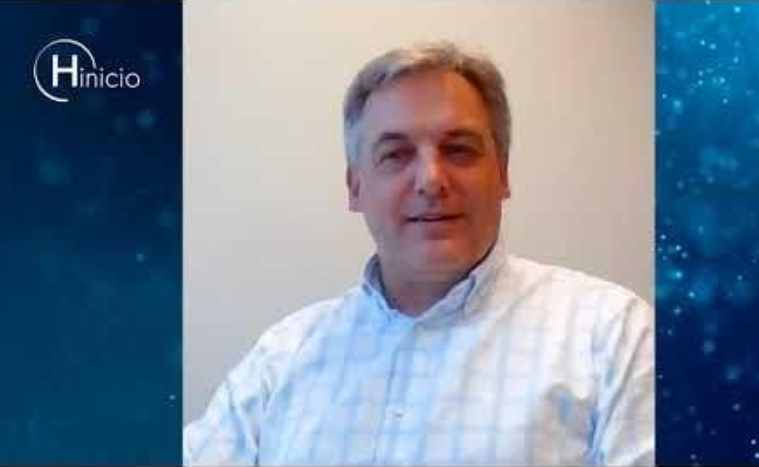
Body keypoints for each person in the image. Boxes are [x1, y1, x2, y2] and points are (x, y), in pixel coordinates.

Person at [184, 41, 654, 466]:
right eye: (395, 154)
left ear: (503, 174)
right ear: (355, 187)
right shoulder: (283, 355)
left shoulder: (611, 334)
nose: (431, 180)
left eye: (459, 150)